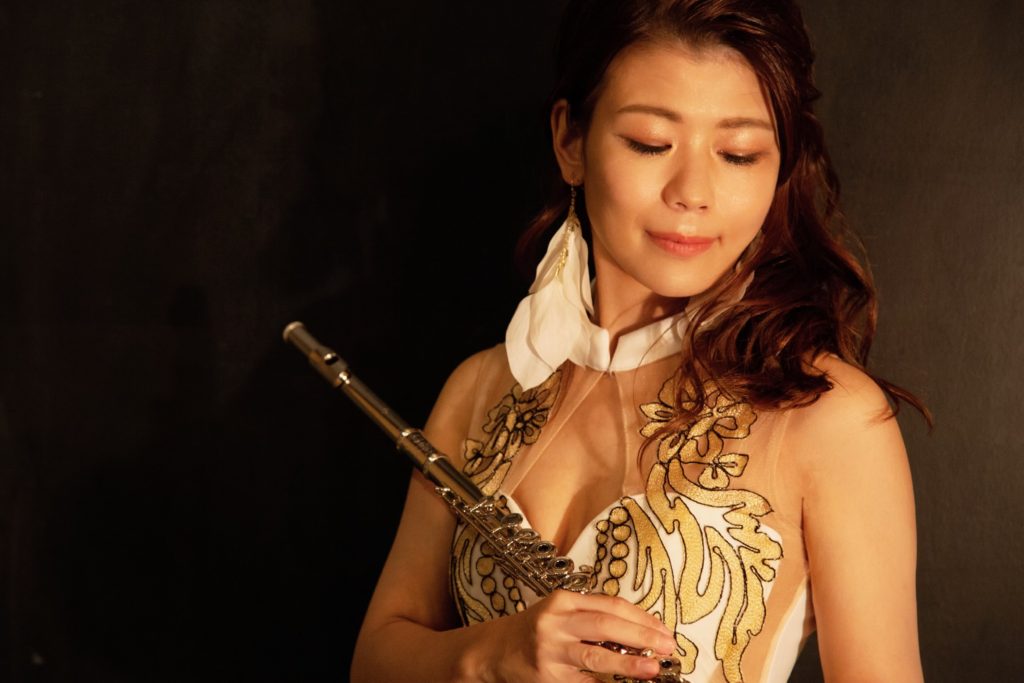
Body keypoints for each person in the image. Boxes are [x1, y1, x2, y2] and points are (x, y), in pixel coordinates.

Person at [351, 1, 927, 681]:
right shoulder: (479, 389)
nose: (693, 192)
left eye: (739, 154)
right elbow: (374, 660)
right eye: (651, 143)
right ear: (571, 141)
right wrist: (494, 654)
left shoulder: (829, 417)